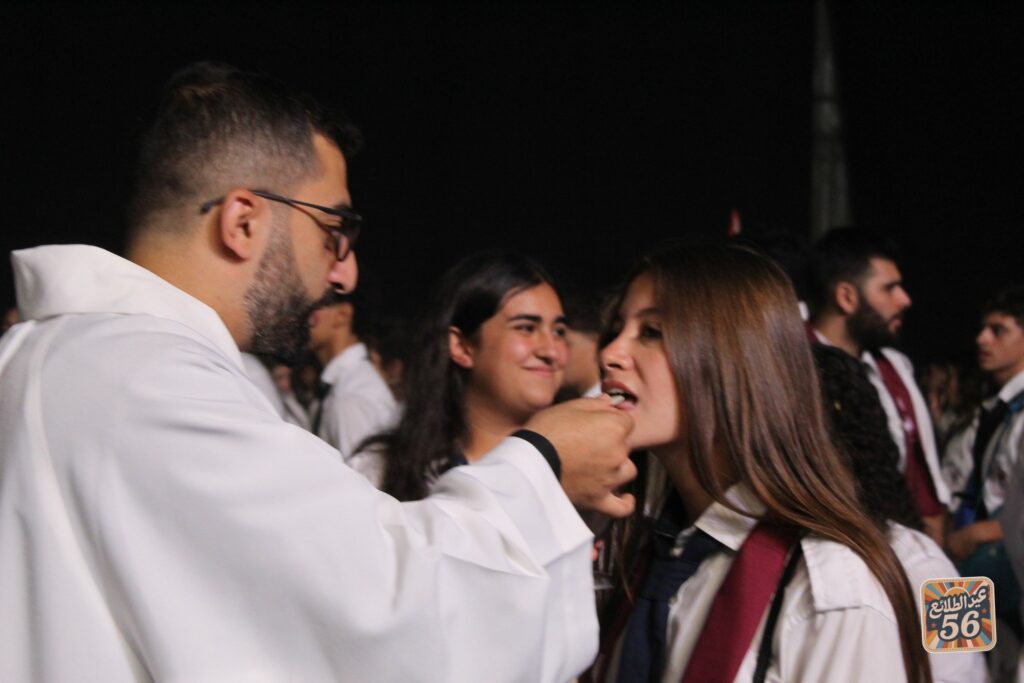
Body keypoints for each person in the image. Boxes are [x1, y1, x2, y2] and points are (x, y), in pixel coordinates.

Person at [0, 62, 636, 682]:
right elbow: (389, 615)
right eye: (335, 229)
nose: (345, 273)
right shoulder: (148, 381)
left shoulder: (57, 356)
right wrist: (542, 466)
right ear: (243, 221)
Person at [593, 243, 929, 682]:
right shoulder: (658, 550)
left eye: (652, 331)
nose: (610, 352)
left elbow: (965, 664)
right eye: (619, 328)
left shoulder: (883, 572)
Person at [363, 251, 569, 499]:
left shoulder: (581, 469)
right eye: (526, 328)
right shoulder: (384, 469)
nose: (550, 351)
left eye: (559, 331)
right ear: (461, 346)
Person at [808, 227, 949, 544]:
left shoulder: (893, 368)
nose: (905, 300)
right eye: (889, 288)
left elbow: (916, 466)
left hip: (899, 544)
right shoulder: (789, 368)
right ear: (846, 297)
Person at [944, 286, 1024, 680]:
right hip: (978, 560)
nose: (982, 339)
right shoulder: (999, 408)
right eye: (982, 328)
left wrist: (978, 532)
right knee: (956, 661)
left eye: (998, 330)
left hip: (1000, 560)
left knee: (955, 655)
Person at [308, 292, 399, 478]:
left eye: (312, 306)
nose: (301, 316)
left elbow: (362, 484)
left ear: (342, 314)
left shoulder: (349, 399)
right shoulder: (346, 385)